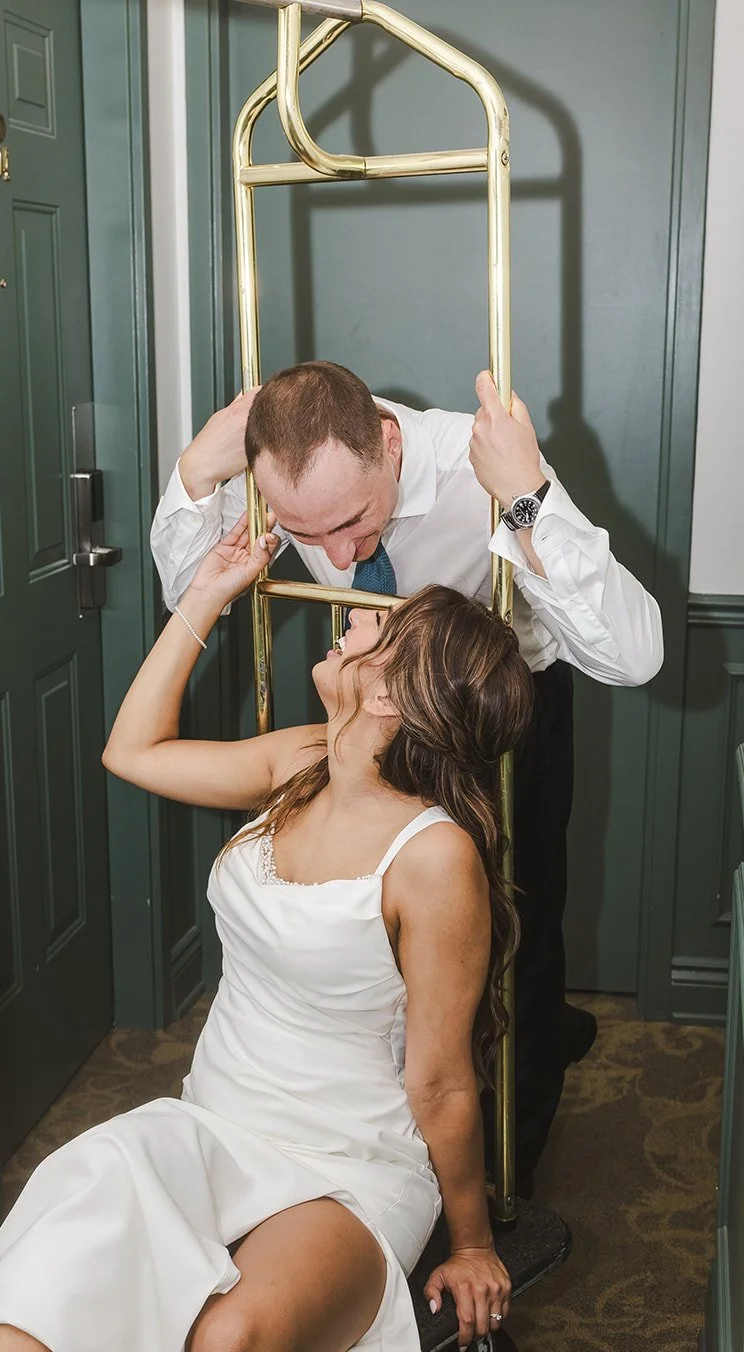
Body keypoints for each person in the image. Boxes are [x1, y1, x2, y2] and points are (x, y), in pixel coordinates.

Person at [0, 521, 533, 1352]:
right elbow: (131, 750)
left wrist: (471, 1240)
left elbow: (441, 1083)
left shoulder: (433, 854)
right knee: (95, 1174)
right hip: (217, 1119)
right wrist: (206, 594)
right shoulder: (299, 763)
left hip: (349, 1167)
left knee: (232, 1340)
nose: (353, 615)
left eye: (378, 626)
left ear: (397, 694)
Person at [150, 361, 664, 1194]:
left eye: (353, 521)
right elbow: (193, 590)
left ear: (388, 445)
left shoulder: (477, 464)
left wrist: (527, 492)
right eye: (305, 534)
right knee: (385, 946)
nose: (340, 556)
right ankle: (396, 1141)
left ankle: (506, 1177)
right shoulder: (284, 468)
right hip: (374, 715)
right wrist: (194, 475)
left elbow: (633, 658)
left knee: (513, 938)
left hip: (500, 715)